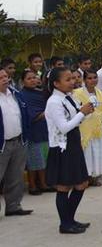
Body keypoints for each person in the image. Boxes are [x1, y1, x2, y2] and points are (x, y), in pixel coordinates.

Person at [44, 67, 95, 233]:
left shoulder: (68, 97)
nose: (72, 82)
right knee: (64, 187)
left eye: (73, 78)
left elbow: (75, 119)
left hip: (73, 145)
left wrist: (86, 112)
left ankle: (69, 219)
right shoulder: (53, 102)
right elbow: (64, 127)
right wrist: (82, 113)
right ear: (56, 83)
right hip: (62, 147)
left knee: (81, 184)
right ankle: (65, 224)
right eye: (67, 79)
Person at [0, 67, 33, 217]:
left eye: (6, 76)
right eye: (1, 78)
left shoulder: (16, 94)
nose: (5, 79)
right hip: (2, 145)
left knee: (16, 176)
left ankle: (13, 206)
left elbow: (25, 115)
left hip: (19, 141)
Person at [73, 71, 102, 187]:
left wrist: (96, 115)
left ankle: (94, 177)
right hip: (84, 128)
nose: (93, 80)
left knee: (97, 152)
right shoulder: (77, 93)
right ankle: (84, 177)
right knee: (86, 153)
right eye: (89, 78)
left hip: (97, 128)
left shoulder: (100, 93)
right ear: (84, 80)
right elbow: (76, 109)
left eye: (95, 78)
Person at [20, 69, 51, 194]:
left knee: (43, 158)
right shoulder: (22, 95)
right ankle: (32, 185)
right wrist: (46, 113)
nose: (33, 80)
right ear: (22, 81)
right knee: (33, 160)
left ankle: (43, 184)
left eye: (34, 77)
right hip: (32, 131)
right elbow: (29, 115)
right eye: (29, 78)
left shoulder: (40, 93)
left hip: (44, 129)